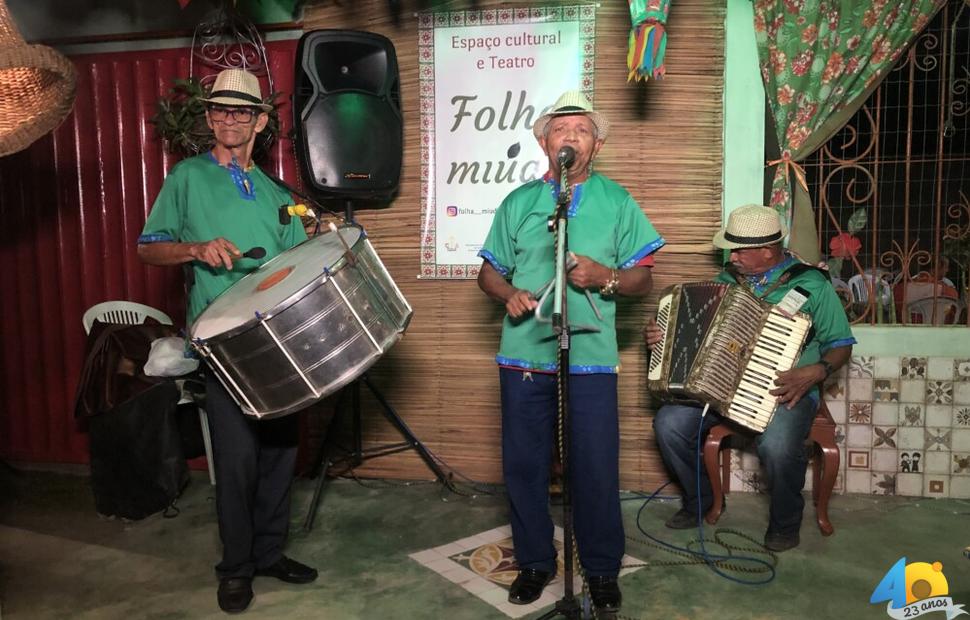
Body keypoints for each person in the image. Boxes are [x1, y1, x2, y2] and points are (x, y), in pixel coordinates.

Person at [137, 68, 316, 614]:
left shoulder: (276, 191)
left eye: (242, 112)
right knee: (236, 460)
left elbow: (292, 262)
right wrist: (194, 249)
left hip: (276, 341)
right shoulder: (187, 177)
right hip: (221, 344)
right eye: (220, 111)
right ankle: (236, 567)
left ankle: (268, 553)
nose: (229, 120)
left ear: (261, 122)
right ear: (210, 118)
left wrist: (316, 243)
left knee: (281, 454)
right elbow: (148, 247)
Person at [477, 91, 664, 613]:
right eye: (562, 129)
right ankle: (536, 562)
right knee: (524, 464)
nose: (571, 138)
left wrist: (606, 276)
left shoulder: (617, 200)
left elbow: (643, 280)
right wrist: (506, 292)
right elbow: (487, 271)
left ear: (596, 144)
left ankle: (601, 569)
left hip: (590, 355)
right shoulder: (518, 202)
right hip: (523, 355)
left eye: (582, 130)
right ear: (544, 141)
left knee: (596, 465)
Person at [645, 204, 855, 552]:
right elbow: (698, 331)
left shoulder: (811, 285)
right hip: (721, 388)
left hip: (783, 392)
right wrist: (661, 335)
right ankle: (702, 500)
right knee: (668, 424)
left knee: (776, 445)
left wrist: (816, 371)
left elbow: (841, 345)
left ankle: (786, 521)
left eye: (740, 249)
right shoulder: (727, 282)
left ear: (768, 252)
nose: (733, 256)